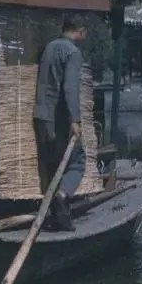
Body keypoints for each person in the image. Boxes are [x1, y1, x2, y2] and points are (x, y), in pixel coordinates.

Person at [33, 13, 88, 232]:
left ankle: (58, 217)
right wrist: (75, 120)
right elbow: (70, 88)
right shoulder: (72, 52)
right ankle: (63, 196)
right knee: (78, 161)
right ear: (80, 31)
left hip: (40, 116)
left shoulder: (49, 48)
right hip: (58, 119)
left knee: (53, 165)